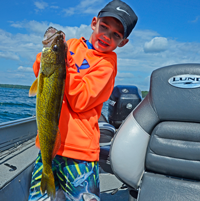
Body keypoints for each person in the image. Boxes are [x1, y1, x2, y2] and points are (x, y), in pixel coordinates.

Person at [28, 0, 138, 200]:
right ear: (94, 22)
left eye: (116, 34)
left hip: (81, 157)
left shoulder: (106, 66)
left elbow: (80, 101)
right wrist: (47, 58)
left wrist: (64, 67)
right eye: (104, 27)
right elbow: (40, 71)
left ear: (123, 42)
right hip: (49, 147)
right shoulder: (70, 46)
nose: (106, 35)